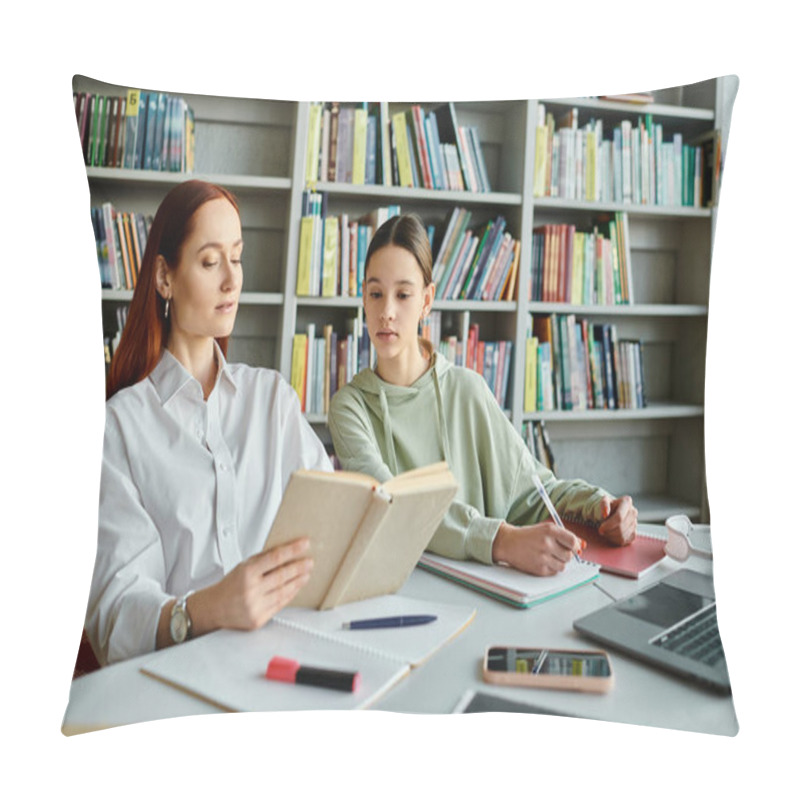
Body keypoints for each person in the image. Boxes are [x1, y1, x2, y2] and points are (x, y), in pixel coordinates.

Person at [85, 180, 332, 666]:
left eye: (236, 257)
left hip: (289, 658)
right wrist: (206, 609)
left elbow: (335, 528)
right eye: (209, 260)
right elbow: (115, 611)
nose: (231, 280)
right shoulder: (118, 429)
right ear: (164, 278)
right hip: (179, 680)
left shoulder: (272, 401)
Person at [328, 213, 638, 578]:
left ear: (427, 300)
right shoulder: (349, 408)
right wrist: (501, 540)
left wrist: (599, 504)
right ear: (362, 298)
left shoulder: (467, 389)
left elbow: (534, 492)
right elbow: (396, 504)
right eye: (375, 294)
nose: (387, 312)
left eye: (403, 294)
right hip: (400, 593)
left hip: (487, 591)